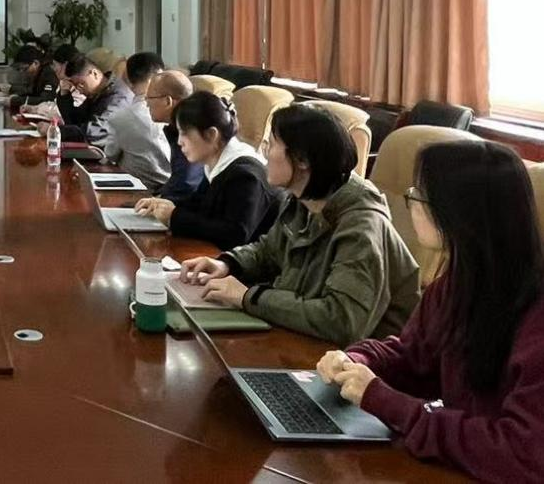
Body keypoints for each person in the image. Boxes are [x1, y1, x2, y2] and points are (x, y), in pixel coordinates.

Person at [316, 140, 544, 482]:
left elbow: (520, 454)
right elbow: (414, 358)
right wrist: (358, 361)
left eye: (419, 194)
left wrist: (390, 403)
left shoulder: (535, 317)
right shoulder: (457, 283)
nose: (411, 203)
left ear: (459, 212)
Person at [179, 103, 419, 347]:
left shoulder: (361, 225)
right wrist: (228, 264)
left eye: (272, 144)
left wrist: (248, 297)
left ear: (302, 159)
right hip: (305, 340)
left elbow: (341, 320)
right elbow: (269, 251)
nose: (265, 152)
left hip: (355, 359)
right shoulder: (301, 200)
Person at [134, 91, 277, 250]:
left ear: (211, 134)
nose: (180, 142)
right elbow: (199, 205)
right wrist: (162, 205)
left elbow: (236, 235)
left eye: (184, 133)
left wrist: (174, 216)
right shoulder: (215, 164)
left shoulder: (246, 176)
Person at [103, 52, 170, 191]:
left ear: (128, 80)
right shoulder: (172, 108)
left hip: (138, 189)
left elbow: (110, 154)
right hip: (171, 186)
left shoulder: (119, 118)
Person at [48, 53, 131, 150]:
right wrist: (64, 93)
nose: (79, 90)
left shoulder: (118, 96)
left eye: (81, 84)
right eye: (75, 86)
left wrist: (58, 131)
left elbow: (96, 132)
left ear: (94, 74)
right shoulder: (99, 92)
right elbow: (76, 120)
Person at [143, 70, 204, 202]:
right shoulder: (176, 128)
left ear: (167, 101)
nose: (146, 104)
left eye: (149, 98)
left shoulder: (192, 131)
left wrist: (159, 202)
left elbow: (186, 185)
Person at [8, 44, 58, 109]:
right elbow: (35, 94)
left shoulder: (49, 73)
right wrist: (17, 96)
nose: (23, 72)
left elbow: (46, 99)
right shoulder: (39, 72)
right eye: (19, 69)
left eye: (25, 69)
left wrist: (17, 101)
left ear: (36, 63)